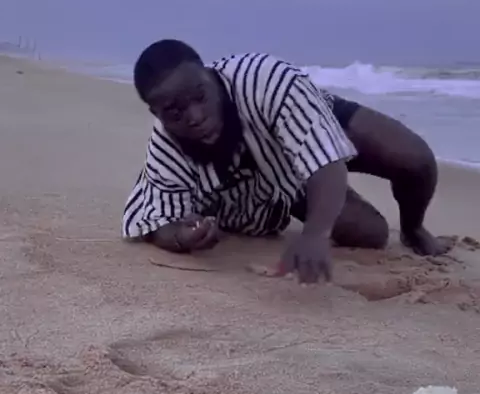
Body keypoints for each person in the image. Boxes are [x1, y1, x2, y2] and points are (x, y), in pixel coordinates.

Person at [123, 39, 448, 284]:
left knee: (414, 159)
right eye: (175, 112)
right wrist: (180, 238)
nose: (194, 117)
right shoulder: (166, 145)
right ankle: (305, 196)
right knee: (372, 234)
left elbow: (325, 158)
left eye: (200, 97)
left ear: (210, 75)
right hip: (271, 183)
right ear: (157, 113)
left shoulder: (265, 80)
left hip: (305, 121)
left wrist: (315, 235)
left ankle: (413, 229)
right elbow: (154, 218)